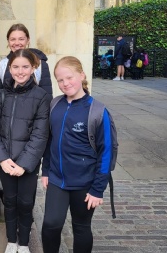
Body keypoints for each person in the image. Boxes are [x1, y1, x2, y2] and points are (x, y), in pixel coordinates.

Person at [41, 56, 117, 253]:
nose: (65, 83)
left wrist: (98, 189)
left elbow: (106, 152)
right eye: (60, 80)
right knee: (51, 225)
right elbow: (50, 140)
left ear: (81, 75)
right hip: (57, 179)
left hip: (85, 183)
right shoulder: (55, 104)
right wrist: (46, 170)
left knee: (81, 227)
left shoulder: (98, 111)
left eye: (69, 77)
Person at [0, 49, 50, 253]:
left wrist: (23, 164)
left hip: (27, 164)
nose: (20, 71)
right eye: (16, 67)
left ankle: (23, 242)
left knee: (25, 203)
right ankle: (11, 240)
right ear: (9, 68)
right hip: (6, 161)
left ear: (33, 68)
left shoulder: (41, 96)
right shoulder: (1, 95)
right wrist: (3, 159)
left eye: (25, 67)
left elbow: (40, 134)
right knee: (10, 202)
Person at [0, 23, 53, 98]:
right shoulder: (2, 65)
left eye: (21, 39)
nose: (17, 43)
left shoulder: (40, 64)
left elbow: (47, 96)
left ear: (28, 40)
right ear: (8, 41)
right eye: (13, 39)